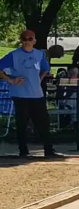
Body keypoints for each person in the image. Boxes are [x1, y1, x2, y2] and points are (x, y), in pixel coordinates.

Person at [0, 30, 56, 158]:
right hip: (20, 94)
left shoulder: (40, 55)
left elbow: (45, 69)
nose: (27, 42)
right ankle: (23, 151)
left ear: (34, 41)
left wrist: (38, 81)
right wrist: (11, 80)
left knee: (43, 122)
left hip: (37, 94)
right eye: (24, 39)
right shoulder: (14, 55)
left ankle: (48, 149)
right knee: (22, 123)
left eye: (29, 39)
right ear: (21, 40)